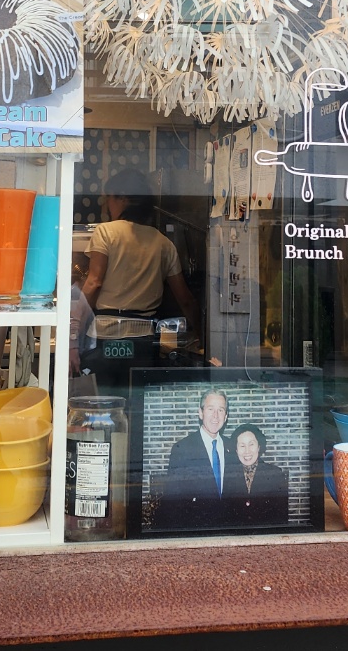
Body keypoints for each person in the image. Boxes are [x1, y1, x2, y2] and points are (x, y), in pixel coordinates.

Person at [82, 169, 198, 387]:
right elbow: (184, 298)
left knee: (103, 400)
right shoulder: (163, 243)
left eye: (109, 198)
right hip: (144, 339)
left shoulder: (105, 232)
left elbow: (94, 282)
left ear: (123, 198)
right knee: (138, 399)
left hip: (105, 334)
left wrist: (74, 326)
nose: (106, 205)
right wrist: (199, 335)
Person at [159, 389, 239, 529]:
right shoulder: (182, 449)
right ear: (201, 413)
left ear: (226, 416)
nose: (215, 416)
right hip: (196, 529)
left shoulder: (232, 447)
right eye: (210, 409)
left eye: (220, 410)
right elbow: (172, 501)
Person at [225, 422, 289, 528]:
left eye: (251, 444)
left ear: (259, 447)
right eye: (242, 446)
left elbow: (281, 516)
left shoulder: (275, 474)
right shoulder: (226, 475)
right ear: (236, 450)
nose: (247, 451)